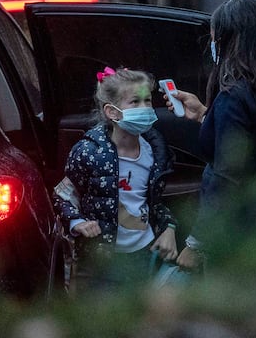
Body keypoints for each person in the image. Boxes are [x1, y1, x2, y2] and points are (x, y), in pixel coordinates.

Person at [165, 0, 256, 269]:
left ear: (229, 42)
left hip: (239, 228)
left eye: (215, 40)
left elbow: (226, 175)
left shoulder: (232, 97)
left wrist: (196, 243)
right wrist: (205, 114)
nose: (212, 46)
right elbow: (253, 139)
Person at [53, 67, 179, 292]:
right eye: (135, 102)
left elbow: (152, 203)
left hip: (144, 253)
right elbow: (63, 196)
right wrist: (77, 222)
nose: (145, 108)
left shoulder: (155, 153)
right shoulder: (88, 152)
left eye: (148, 101)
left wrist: (168, 227)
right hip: (102, 259)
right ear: (112, 112)